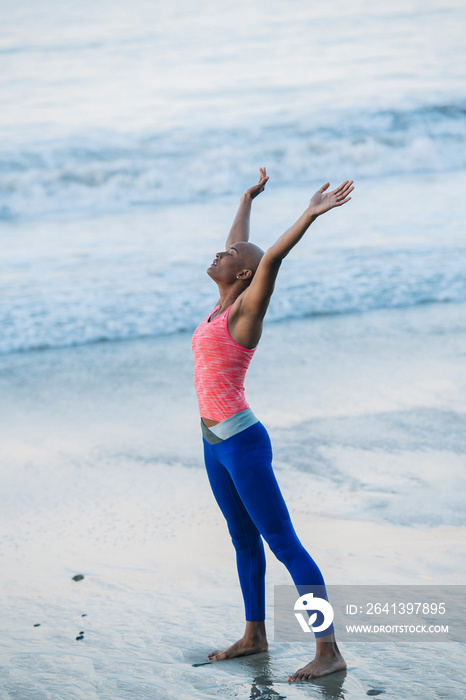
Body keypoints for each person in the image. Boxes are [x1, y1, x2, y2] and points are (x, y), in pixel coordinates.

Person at [191, 167, 353, 681]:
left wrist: (308, 213)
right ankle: (254, 634)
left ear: (244, 278)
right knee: (243, 542)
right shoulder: (220, 307)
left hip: (242, 444)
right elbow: (241, 245)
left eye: (233, 258)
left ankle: (328, 650)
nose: (224, 252)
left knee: (285, 545)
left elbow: (270, 259)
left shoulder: (244, 313)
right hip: (213, 444)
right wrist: (246, 198)